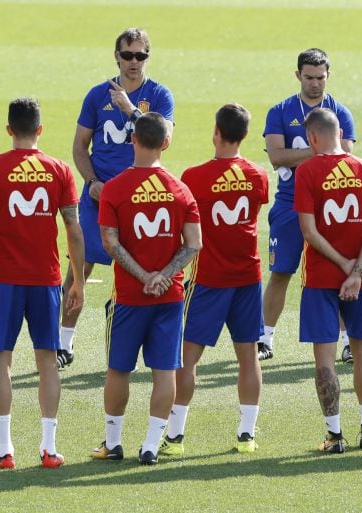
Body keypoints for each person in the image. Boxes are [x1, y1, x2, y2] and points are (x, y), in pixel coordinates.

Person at [0, 97, 86, 469]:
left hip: (3, 279)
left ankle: (5, 450)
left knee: (2, 360)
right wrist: (78, 279)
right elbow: (74, 230)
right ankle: (49, 449)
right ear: (40, 130)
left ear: (9, 130)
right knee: (47, 361)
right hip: (46, 280)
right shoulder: (59, 170)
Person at [59, 27, 174, 369]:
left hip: (142, 199)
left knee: (141, 271)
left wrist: (130, 111)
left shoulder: (160, 95)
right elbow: (80, 146)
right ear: (117, 57)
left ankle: (139, 348)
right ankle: (62, 343)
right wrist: (91, 180)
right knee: (79, 270)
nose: (134, 62)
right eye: (128, 55)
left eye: (141, 55)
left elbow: (164, 140)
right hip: (100, 194)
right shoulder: (97, 95)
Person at [90, 112, 200, 465]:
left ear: (132, 140)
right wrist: (163, 275)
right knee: (165, 370)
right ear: (165, 143)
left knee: (118, 369)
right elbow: (194, 244)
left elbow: (110, 243)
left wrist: (142, 276)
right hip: (169, 296)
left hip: (128, 298)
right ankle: (152, 445)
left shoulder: (115, 188)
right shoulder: (181, 190)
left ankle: (113, 442)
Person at [159, 104, 268, 456]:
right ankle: (247, 435)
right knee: (248, 356)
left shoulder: (194, 177)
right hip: (248, 277)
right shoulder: (257, 175)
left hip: (208, 280)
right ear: (245, 136)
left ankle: (175, 437)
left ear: (216, 132)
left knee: (187, 359)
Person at [294, 108, 362, 453]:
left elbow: (309, 230)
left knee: (325, 360)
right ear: (340, 132)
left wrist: (344, 265)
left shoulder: (307, 171)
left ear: (312, 138)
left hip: (320, 278)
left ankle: (334, 437)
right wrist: (357, 271)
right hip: (359, 280)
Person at [260, 48, 356, 363]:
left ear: (328, 76)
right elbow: (276, 157)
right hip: (289, 203)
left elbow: (348, 158)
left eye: (321, 77)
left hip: (331, 205)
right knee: (281, 271)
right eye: (309, 77)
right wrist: (322, 152)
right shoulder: (280, 111)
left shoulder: (340, 112)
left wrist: (301, 155)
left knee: (338, 272)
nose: (315, 83)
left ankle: (347, 342)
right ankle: (265, 338)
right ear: (298, 75)